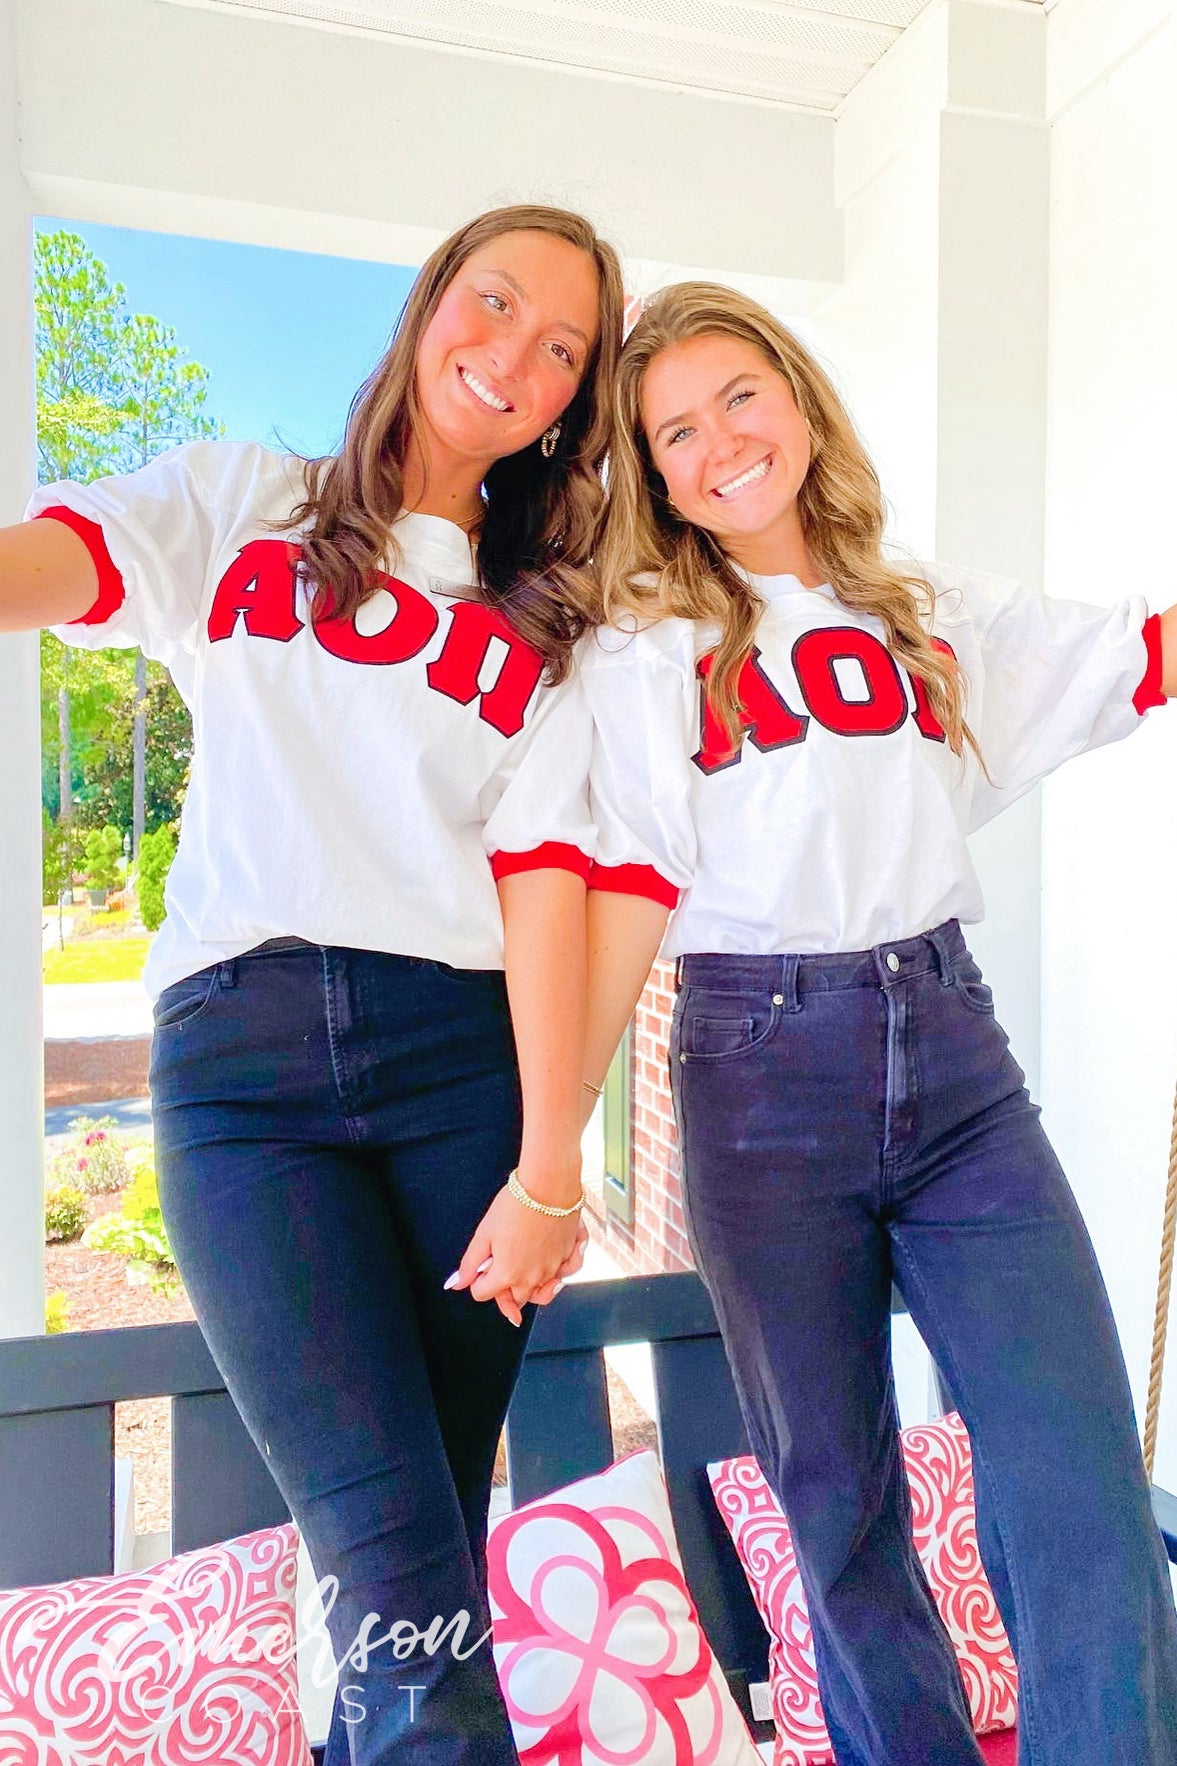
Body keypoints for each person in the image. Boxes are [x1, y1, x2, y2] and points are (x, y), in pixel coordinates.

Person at [1, 204, 624, 1765]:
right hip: (244, 1073)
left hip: (461, 1081)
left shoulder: (552, 617)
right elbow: (50, 566)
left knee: (404, 1591)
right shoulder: (242, 501)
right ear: (428, 306)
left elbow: (549, 894)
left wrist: (554, 1163)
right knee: (407, 1575)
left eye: (564, 348)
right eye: (495, 303)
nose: (518, 356)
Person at [579, 279, 1177, 1765]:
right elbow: (591, 888)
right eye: (673, 430)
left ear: (795, 396)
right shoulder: (643, 652)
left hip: (955, 1054)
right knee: (836, 1493)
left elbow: (1138, 655)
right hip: (753, 1072)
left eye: (738, 395)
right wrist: (541, 1147)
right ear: (650, 474)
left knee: (1074, 1470)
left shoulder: (921, 609)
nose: (719, 440)